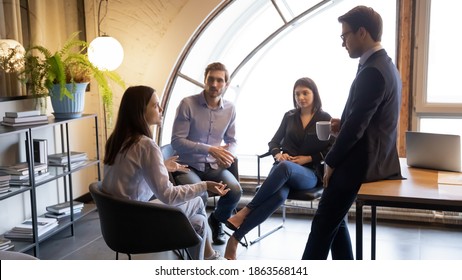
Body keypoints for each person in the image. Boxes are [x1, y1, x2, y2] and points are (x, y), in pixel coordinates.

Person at [302, 6, 402, 260]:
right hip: (371, 158)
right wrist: (342, 122)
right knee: (336, 223)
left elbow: (358, 127)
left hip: (359, 163)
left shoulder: (372, 72)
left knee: (323, 225)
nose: (342, 43)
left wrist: (331, 161)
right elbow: (364, 117)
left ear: (362, 32)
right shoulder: (384, 65)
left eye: (344, 36)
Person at [102, 85, 229, 260]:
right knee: (198, 202)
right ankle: (209, 259)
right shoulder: (145, 145)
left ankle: (208, 257)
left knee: (197, 222)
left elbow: (131, 173)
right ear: (140, 110)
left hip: (116, 226)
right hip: (137, 226)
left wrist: (160, 166)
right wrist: (205, 185)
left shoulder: (116, 140)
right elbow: (168, 196)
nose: (161, 109)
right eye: (155, 105)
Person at [224, 77, 334, 260]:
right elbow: (273, 142)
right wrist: (278, 154)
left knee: (284, 168)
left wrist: (308, 158)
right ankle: (235, 239)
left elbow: (331, 149)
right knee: (278, 196)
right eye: (297, 94)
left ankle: (246, 210)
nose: (301, 97)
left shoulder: (325, 118)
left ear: (314, 93)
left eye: (305, 93)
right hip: (282, 171)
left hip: (308, 174)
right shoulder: (289, 116)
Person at [171, 62, 242, 245]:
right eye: (211, 79)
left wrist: (229, 155)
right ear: (205, 80)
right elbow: (177, 141)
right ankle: (196, 234)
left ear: (226, 84)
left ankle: (216, 221)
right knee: (200, 194)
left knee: (235, 191)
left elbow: (232, 141)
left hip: (213, 167)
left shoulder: (230, 109)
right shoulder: (187, 104)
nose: (214, 84)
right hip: (186, 166)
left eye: (220, 80)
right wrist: (209, 149)